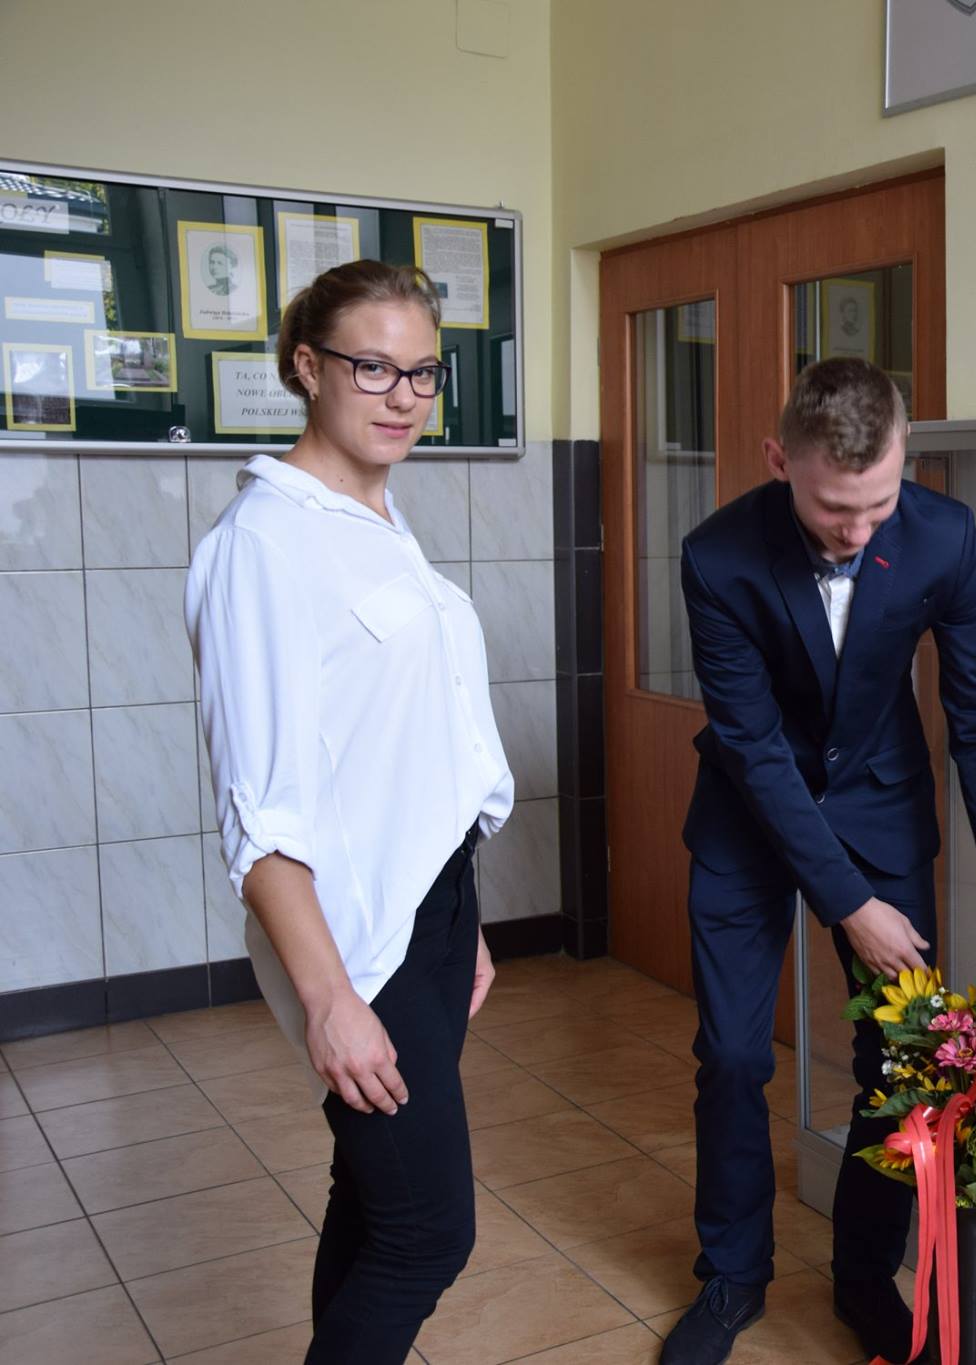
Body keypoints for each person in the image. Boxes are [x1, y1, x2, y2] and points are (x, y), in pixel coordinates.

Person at [663, 358, 976, 1365]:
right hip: (747, 818)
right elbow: (755, 748)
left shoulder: (944, 537)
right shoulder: (717, 556)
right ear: (778, 461)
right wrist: (847, 902)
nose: (856, 530)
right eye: (833, 509)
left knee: (900, 1059)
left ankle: (861, 1276)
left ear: (904, 457)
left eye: (877, 504)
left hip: (882, 808)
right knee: (733, 1056)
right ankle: (731, 1277)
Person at [185, 259, 513, 1363]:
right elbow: (260, 813)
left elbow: (409, 754)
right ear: (307, 367)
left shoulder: (374, 516)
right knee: (427, 1233)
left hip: (430, 911)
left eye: (422, 372)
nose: (402, 395)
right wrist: (330, 1001)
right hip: (357, 941)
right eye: (372, 366)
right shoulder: (264, 544)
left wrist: (462, 919)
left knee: (374, 1200)